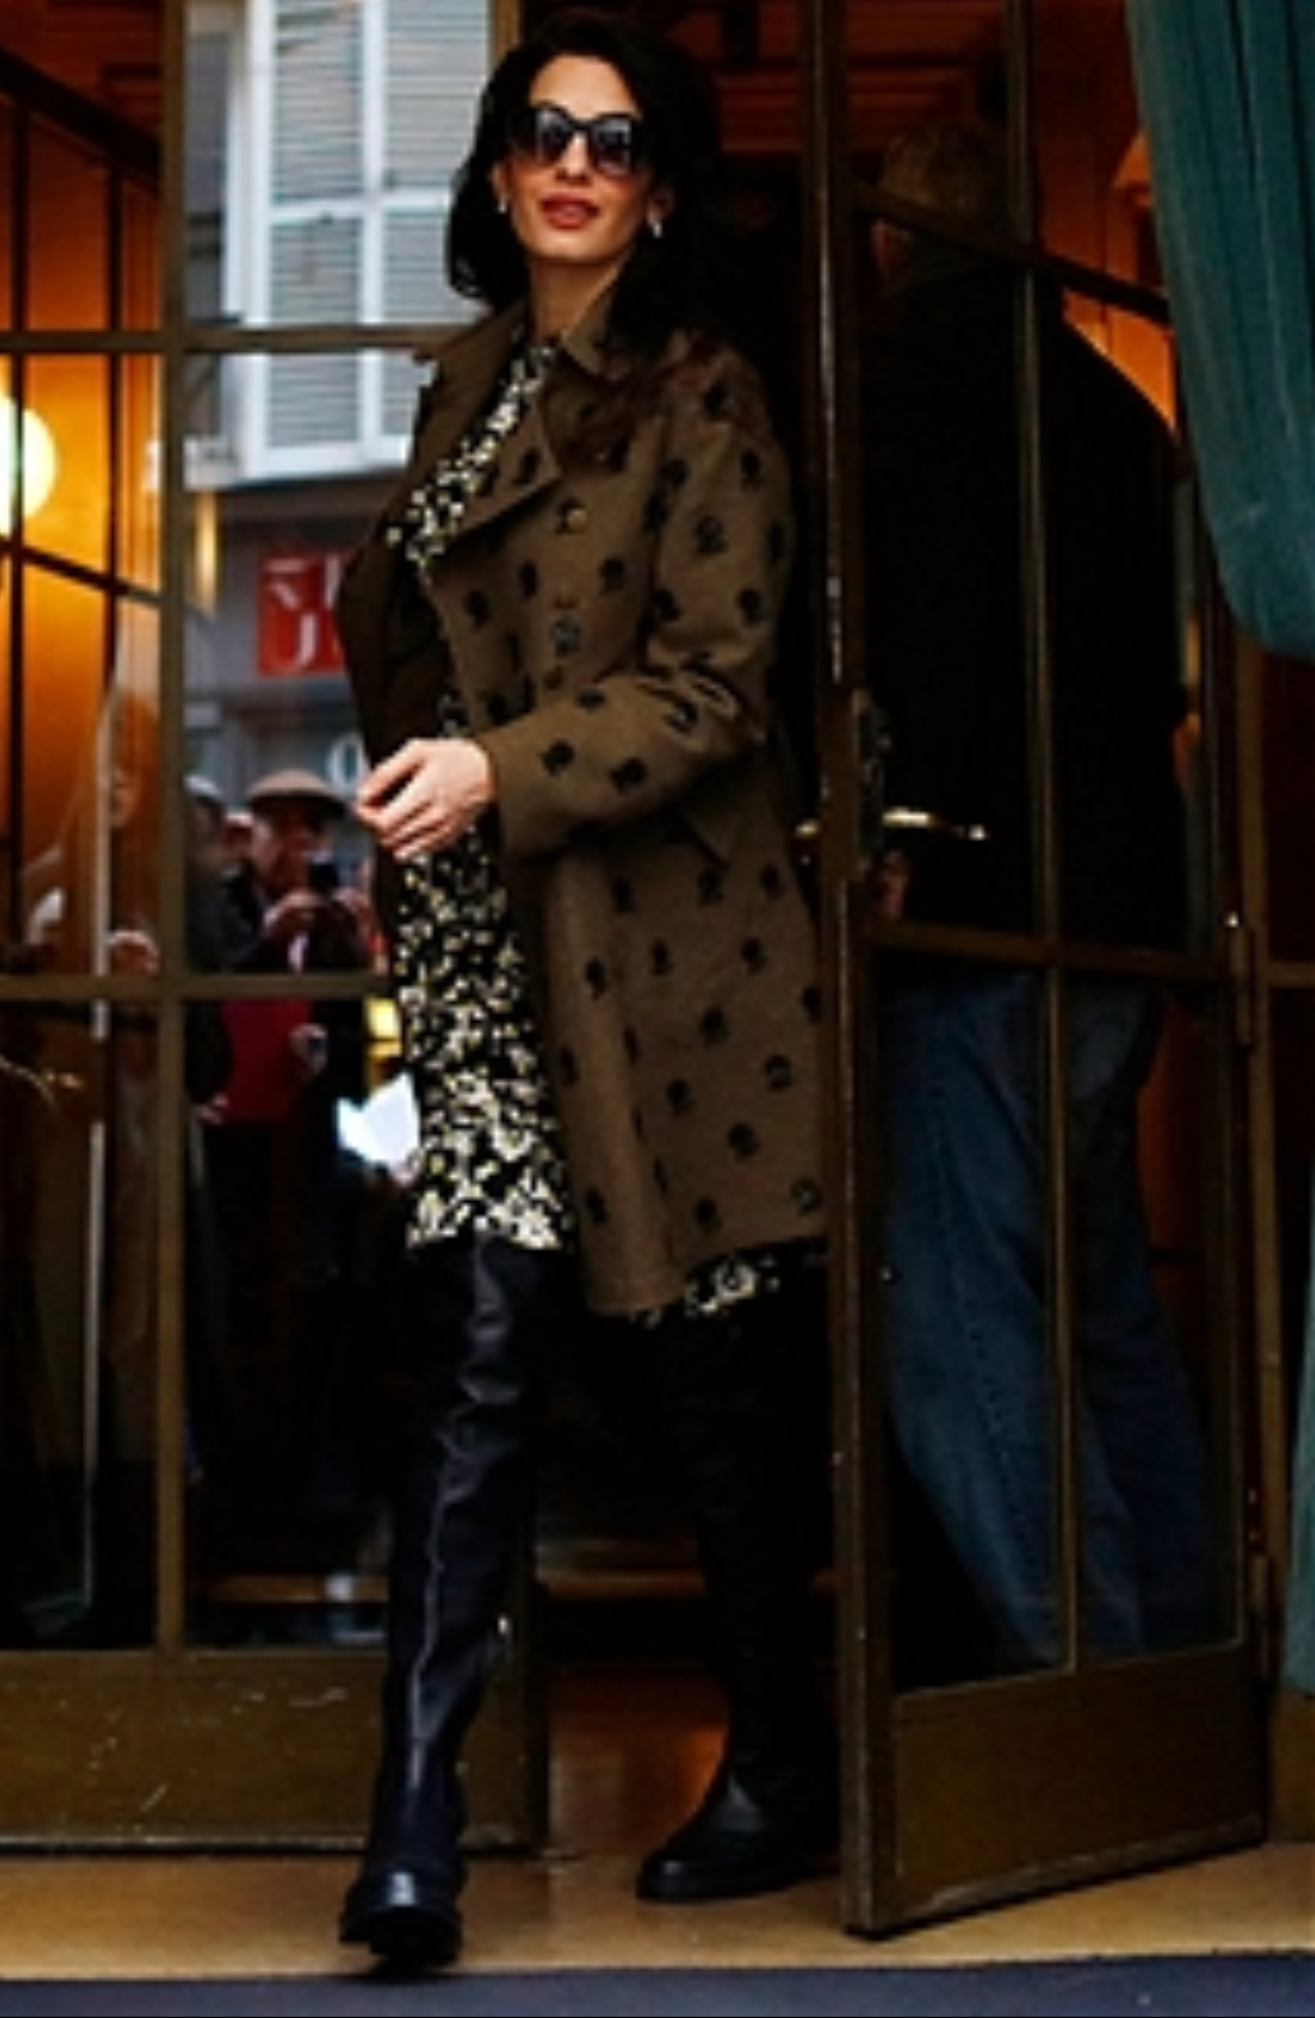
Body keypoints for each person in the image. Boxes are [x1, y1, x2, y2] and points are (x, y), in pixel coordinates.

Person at [331, 6, 830, 1974]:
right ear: (494, 165)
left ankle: (780, 1757)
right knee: (471, 1351)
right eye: (543, 131)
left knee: (711, 1372)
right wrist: (420, 804)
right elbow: (422, 645)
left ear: (660, 190)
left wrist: (493, 768)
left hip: (658, 956)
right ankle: (411, 1827)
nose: (572, 165)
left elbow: (715, 684)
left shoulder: (700, 390)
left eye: (613, 144)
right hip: (478, 931)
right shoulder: (462, 385)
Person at [859, 123, 1215, 1673]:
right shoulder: (1116, 407)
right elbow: (1158, 677)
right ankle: (1178, 1669)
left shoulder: (893, 393)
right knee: (1097, 1304)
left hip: (970, 908)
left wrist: (881, 842)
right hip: (1119, 908)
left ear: (890, 238)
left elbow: (909, 664)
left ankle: (1080, 1686)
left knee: (960, 1324)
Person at [195, 767, 377, 1582]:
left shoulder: (335, 926)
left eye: (313, 830)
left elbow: (357, 1043)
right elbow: (209, 1000)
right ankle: (246, 1483)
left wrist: (326, 1053)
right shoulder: (225, 907)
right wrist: (269, 939)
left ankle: (312, 1476)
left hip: (307, 1145)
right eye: (283, 828)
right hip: (234, 1144)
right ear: (252, 833)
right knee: (240, 1299)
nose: (298, 846)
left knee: (318, 1296)